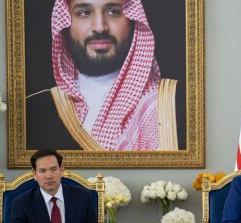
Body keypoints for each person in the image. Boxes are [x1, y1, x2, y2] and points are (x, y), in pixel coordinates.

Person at [25, 0, 178, 151]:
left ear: (132, 21)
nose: (99, 27)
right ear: (66, 23)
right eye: (84, 13)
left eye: (113, 12)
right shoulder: (37, 110)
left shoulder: (170, 104)